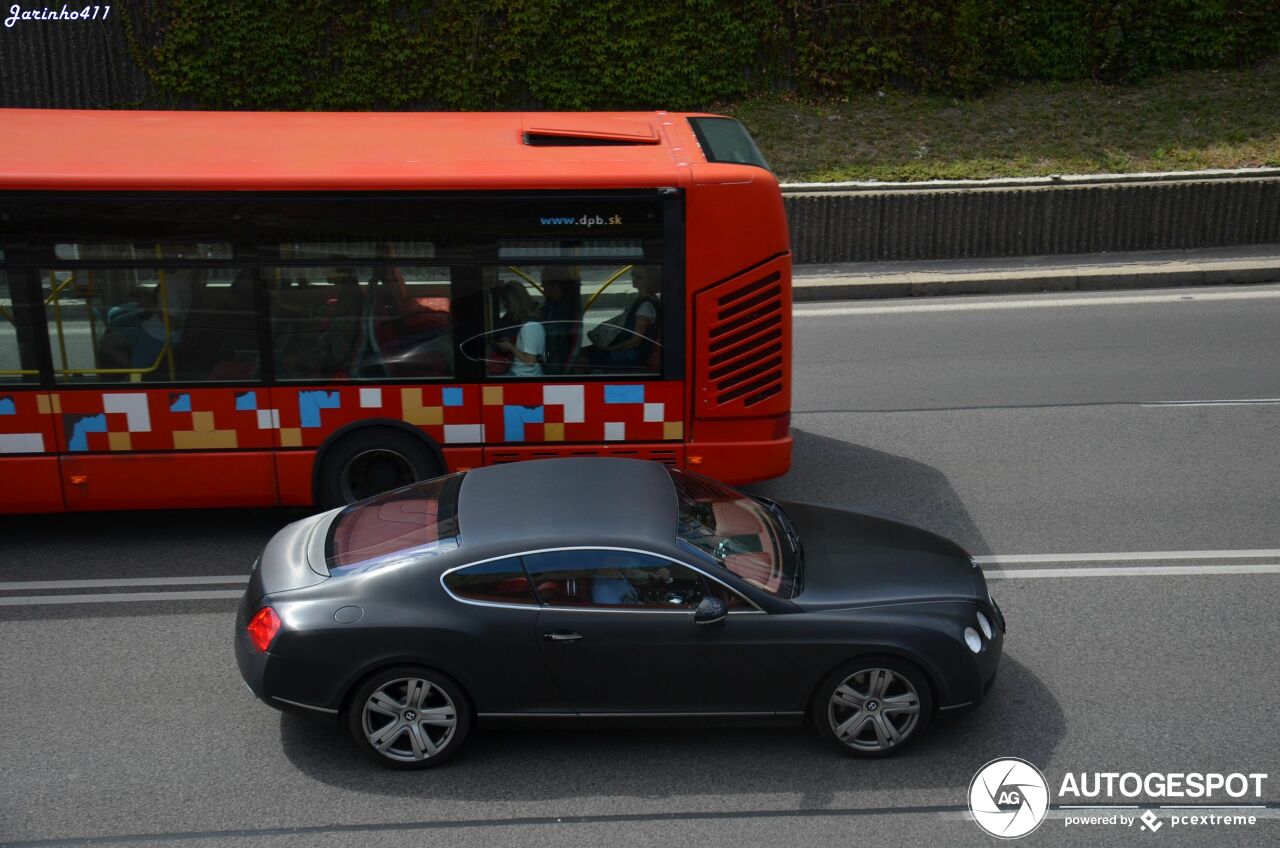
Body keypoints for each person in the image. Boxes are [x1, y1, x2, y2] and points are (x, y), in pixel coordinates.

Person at [584, 265, 661, 371]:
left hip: (631, 355)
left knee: (582, 359)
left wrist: (609, 349)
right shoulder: (641, 300)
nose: (635, 279)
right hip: (627, 350)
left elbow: (635, 341)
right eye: (633, 275)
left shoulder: (646, 307)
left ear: (650, 281)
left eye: (640, 277)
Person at [493, 281, 544, 377]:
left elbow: (530, 361)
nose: (507, 309)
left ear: (513, 303)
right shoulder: (529, 322)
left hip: (522, 374)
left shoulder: (530, 327)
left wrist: (509, 347)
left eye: (507, 305)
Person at [538, 267, 581, 374]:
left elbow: (568, 343)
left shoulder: (565, 310)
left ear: (556, 285)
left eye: (544, 284)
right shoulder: (549, 304)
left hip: (558, 364)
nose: (542, 288)